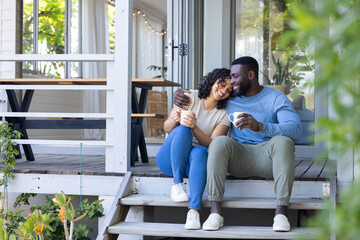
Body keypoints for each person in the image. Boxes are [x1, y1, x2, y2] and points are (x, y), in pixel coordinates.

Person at [174, 56, 302, 232]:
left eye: (235, 76)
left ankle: (280, 213)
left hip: (268, 159)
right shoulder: (229, 98)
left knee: (283, 141)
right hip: (238, 158)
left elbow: (296, 129)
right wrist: (180, 95)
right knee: (219, 142)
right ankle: (215, 213)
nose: (231, 81)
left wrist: (261, 126)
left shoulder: (275, 98)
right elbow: (206, 94)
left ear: (251, 75)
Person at [156, 68, 234, 230]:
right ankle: (177, 184)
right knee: (183, 129)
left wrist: (195, 127)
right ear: (213, 81)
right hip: (170, 160)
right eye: (222, 84)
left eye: (229, 90)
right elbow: (167, 128)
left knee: (201, 151)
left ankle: (194, 211)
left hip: (194, 165)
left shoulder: (224, 114)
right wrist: (173, 118)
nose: (223, 91)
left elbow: (212, 144)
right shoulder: (190, 96)